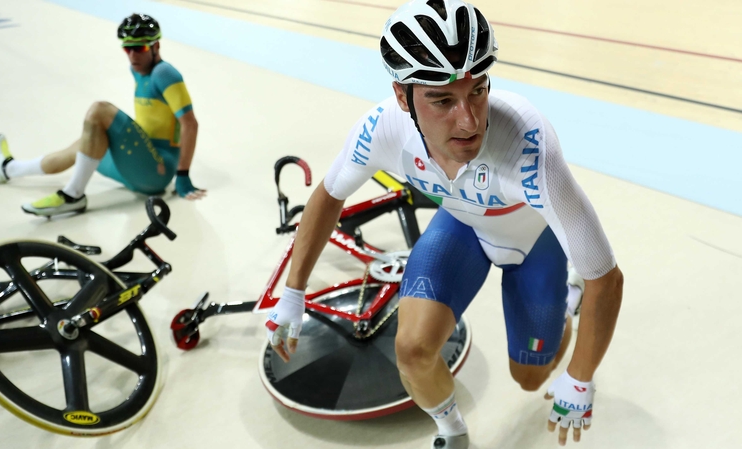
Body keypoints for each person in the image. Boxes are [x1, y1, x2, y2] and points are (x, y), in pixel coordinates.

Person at [264, 1, 623, 448]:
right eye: (442, 100)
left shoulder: (530, 145)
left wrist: (580, 377)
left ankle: (568, 301)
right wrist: (293, 291)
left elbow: (606, 277)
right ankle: (451, 431)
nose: (469, 120)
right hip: (463, 226)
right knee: (412, 351)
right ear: (402, 97)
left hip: (532, 244)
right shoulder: (382, 128)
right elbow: (329, 194)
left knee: (531, 379)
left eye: (477, 91)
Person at [0, 13, 205, 216]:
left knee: (100, 110)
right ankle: (9, 168)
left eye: (138, 48)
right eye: (127, 49)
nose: (132, 56)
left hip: (157, 170)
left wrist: (183, 175)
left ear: (156, 46)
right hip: (142, 165)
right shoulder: (138, 69)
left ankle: (73, 195)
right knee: (85, 144)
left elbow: (190, 124)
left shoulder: (164, 74)